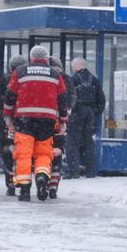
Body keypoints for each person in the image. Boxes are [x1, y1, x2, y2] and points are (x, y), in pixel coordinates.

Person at [3, 45, 69, 201]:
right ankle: (41, 176)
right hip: (47, 120)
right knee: (43, 152)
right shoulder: (54, 73)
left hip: (24, 119)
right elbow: (63, 99)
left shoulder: (19, 72)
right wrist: (64, 120)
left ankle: (25, 190)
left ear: (31, 57)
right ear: (46, 58)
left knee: (23, 153)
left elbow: (10, 96)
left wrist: (8, 116)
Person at [65, 57, 105, 178]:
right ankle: (91, 171)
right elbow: (101, 100)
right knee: (88, 142)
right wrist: (95, 113)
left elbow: (67, 97)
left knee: (71, 142)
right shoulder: (95, 80)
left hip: (76, 115)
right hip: (91, 115)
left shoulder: (73, 80)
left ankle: (73, 172)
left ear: (75, 68)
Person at [0, 53, 27, 194]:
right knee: (23, 150)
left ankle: (10, 179)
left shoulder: (3, 79)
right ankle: (20, 177)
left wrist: (6, 101)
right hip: (23, 119)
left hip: (5, 120)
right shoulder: (27, 79)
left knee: (7, 149)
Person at [47, 56, 76, 199]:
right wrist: (64, 115)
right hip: (59, 122)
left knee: (41, 151)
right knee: (57, 152)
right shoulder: (66, 79)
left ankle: (42, 176)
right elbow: (71, 99)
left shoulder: (42, 77)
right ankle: (53, 184)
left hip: (42, 122)